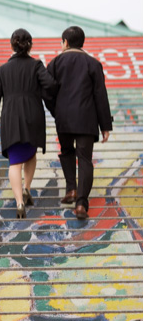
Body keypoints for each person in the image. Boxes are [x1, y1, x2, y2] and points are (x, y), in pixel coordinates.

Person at [0, 28, 57, 218]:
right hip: (33, 114)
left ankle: (18, 203)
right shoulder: (36, 65)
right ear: (30, 45)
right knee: (31, 153)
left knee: (14, 161)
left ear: (12, 45)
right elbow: (50, 84)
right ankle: (27, 189)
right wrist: (37, 93)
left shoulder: (2, 70)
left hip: (11, 118)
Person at [46, 26, 113, 220]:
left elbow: (46, 91)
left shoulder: (55, 63)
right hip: (86, 119)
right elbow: (101, 96)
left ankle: (71, 189)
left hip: (64, 119)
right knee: (84, 159)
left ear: (65, 42)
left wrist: (55, 110)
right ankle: (82, 203)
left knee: (67, 151)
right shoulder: (93, 64)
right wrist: (105, 126)